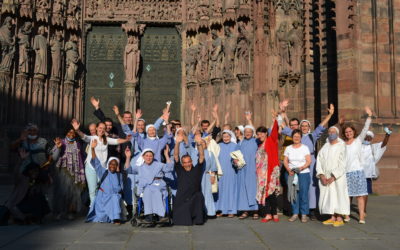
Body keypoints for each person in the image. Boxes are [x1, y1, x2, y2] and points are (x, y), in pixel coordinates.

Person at [281, 104, 334, 220]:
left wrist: (330, 115)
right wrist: (283, 113)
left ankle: (312, 209)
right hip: (296, 163)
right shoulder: (296, 135)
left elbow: (321, 125)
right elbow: (285, 127)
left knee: (311, 186)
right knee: (297, 187)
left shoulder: (312, 136)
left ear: (309, 127)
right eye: (302, 126)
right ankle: (298, 211)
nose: (304, 127)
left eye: (306, 126)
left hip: (310, 161)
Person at [71, 119, 130, 206]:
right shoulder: (93, 138)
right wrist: (77, 130)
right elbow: (84, 136)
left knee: (103, 189)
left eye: (104, 128)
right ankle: (93, 209)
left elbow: (116, 141)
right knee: (93, 190)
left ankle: (101, 209)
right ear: (97, 128)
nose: (101, 130)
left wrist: (126, 140)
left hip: (102, 168)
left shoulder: (106, 139)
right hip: (91, 167)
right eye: (100, 128)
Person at [7, 123, 51, 222]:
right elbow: (11, 148)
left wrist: (47, 170)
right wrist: (20, 139)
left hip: (40, 172)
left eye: (34, 130)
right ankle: (21, 215)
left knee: (40, 194)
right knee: (23, 195)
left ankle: (39, 214)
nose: (32, 132)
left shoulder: (44, 142)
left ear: (37, 131)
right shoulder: (23, 142)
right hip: (25, 174)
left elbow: (50, 156)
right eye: (30, 130)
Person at [125, 148, 174, 223]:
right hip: (146, 186)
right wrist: (128, 157)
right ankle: (149, 216)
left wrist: (166, 155)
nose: (148, 157)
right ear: (143, 157)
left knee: (156, 192)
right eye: (147, 156)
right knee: (147, 192)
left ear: (153, 156)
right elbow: (128, 170)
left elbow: (170, 168)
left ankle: (161, 216)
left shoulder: (159, 165)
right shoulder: (140, 167)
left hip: (158, 184)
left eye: (150, 156)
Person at [342, 107, 373, 224]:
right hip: (346, 172)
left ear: (353, 132)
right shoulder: (343, 144)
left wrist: (369, 116)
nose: (348, 133)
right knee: (347, 196)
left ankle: (361, 217)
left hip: (358, 171)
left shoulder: (358, 140)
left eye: (350, 131)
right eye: (346, 132)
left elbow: (365, 129)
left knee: (360, 196)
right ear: (344, 134)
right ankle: (347, 215)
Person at [316, 126, 349, 227]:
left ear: (337, 133)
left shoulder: (342, 145)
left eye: (333, 132)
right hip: (326, 176)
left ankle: (339, 217)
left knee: (339, 196)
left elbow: (343, 163)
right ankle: (332, 217)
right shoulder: (325, 146)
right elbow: (319, 161)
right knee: (329, 196)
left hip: (337, 177)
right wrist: (321, 175)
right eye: (329, 132)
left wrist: (334, 176)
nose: (331, 133)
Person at [51, 127, 86, 220]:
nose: (72, 134)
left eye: (74, 132)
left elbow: (81, 158)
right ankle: (59, 212)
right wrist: (58, 148)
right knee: (62, 193)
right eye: (69, 132)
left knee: (73, 194)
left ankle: (70, 212)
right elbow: (54, 158)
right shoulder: (61, 142)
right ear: (66, 132)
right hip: (63, 172)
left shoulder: (78, 144)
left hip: (75, 172)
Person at [86, 139, 124, 224]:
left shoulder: (119, 175)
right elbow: (96, 162)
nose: (112, 166)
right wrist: (92, 149)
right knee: (101, 218)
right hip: (103, 198)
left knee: (115, 197)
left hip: (114, 198)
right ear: (108, 164)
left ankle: (116, 218)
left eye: (115, 164)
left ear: (117, 166)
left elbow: (121, 188)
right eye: (111, 163)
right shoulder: (103, 172)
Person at [173, 133, 206, 225]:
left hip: (195, 196)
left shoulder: (197, 169)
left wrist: (199, 143)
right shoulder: (180, 170)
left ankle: (197, 219)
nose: (187, 164)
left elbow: (201, 156)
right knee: (182, 221)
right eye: (185, 163)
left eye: (189, 162)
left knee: (199, 196)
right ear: (182, 164)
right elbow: (176, 156)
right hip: (182, 198)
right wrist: (177, 143)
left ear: (192, 162)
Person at [255, 112, 280, 222]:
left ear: (266, 133)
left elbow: (275, 130)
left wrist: (275, 119)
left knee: (271, 192)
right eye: (258, 134)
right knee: (264, 193)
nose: (259, 136)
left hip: (271, 170)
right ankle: (268, 213)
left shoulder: (271, 140)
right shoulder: (259, 145)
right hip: (261, 173)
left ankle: (274, 212)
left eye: (261, 134)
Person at [284, 129, 311, 223]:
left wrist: (301, 168)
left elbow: (308, 161)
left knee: (303, 193)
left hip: (303, 173)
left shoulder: (305, 147)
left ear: (301, 138)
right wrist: (288, 170)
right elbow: (285, 161)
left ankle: (304, 214)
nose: (296, 138)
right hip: (291, 173)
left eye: (298, 136)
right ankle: (295, 213)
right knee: (293, 194)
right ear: (292, 137)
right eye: (295, 136)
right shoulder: (288, 148)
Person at [361, 128, 391, 214]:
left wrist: (388, 133)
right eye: (366, 136)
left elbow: (384, 144)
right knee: (351, 192)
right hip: (356, 173)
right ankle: (347, 211)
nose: (367, 138)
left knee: (365, 193)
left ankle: (363, 210)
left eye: (369, 137)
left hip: (367, 174)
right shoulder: (358, 145)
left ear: (371, 139)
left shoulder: (373, 147)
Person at [236, 112, 258, 219]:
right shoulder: (240, 143)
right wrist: (235, 161)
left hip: (254, 169)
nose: (248, 133)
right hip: (243, 169)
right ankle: (245, 210)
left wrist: (249, 120)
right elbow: (235, 155)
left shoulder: (256, 142)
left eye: (250, 132)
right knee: (244, 189)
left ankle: (255, 211)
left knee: (254, 189)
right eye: (246, 132)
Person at [216, 130, 238, 217]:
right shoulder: (219, 146)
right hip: (221, 172)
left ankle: (231, 211)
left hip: (232, 171)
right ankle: (222, 210)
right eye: (224, 137)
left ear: (231, 136)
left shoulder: (235, 146)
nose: (225, 138)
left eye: (227, 136)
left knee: (231, 190)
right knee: (222, 190)